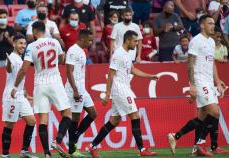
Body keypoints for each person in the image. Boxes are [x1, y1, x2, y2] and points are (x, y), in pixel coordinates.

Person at [86, 30, 158, 158]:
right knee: (135, 115)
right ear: (128, 40)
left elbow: (133, 70)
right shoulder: (118, 54)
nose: (136, 44)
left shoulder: (128, 53)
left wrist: (149, 76)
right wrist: (107, 94)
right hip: (120, 89)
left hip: (125, 88)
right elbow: (110, 75)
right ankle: (142, 149)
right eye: (135, 41)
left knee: (114, 120)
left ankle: (92, 146)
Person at [167, 15, 229, 156]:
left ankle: (175, 136)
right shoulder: (196, 41)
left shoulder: (211, 42)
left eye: (214, 23)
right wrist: (192, 85)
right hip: (200, 81)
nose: (213, 26)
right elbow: (189, 65)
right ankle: (200, 144)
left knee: (202, 118)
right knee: (214, 112)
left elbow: (212, 62)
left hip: (209, 82)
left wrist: (218, 80)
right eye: (210, 23)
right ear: (202, 25)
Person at [11, 21, 72, 158]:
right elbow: (62, 59)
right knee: (67, 114)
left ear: (34, 32)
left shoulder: (31, 46)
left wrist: (15, 86)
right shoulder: (55, 42)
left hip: (39, 84)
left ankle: (47, 154)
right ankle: (57, 141)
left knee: (43, 119)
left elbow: (24, 69)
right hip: (55, 81)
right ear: (45, 30)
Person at [1, 34, 36, 158]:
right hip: (11, 95)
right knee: (9, 124)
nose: (23, 46)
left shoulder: (21, 59)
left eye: (24, 44)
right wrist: (8, 64)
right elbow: (9, 70)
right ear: (14, 44)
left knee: (31, 121)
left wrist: (27, 94)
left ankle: (24, 152)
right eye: (20, 43)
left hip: (20, 95)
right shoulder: (11, 58)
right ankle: (5, 155)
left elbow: (19, 79)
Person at [65, 29, 97, 157]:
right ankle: (72, 150)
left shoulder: (82, 51)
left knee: (93, 113)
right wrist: (75, 90)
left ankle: (73, 139)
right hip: (75, 89)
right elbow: (69, 71)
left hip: (82, 89)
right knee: (76, 118)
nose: (91, 43)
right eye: (89, 40)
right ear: (82, 39)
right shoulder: (73, 50)